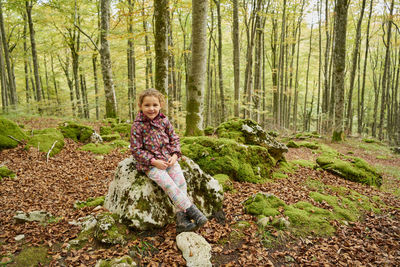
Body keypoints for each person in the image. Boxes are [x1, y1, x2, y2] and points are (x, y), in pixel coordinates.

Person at [130, 88, 207, 233]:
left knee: (181, 183)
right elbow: (136, 150)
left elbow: (174, 139)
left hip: (169, 159)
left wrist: (175, 155)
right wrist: (153, 161)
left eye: (155, 105)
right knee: (169, 185)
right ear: (140, 106)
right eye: (147, 105)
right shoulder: (138, 125)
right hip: (151, 165)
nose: (151, 108)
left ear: (160, 105)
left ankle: (181, 221)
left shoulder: (164, 121)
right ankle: (192, 211)